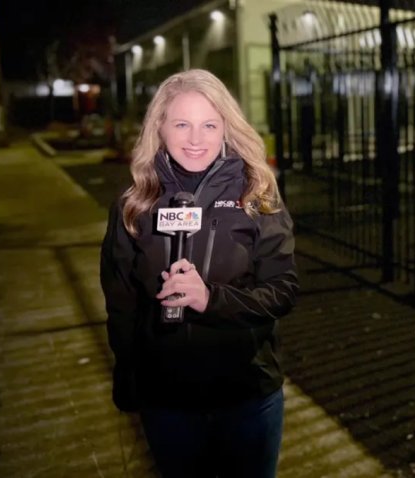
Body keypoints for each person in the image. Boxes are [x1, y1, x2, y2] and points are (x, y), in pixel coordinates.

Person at [100, 68, 298, 478]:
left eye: (209, 124)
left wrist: (211, 299)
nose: (195, 139)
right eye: (182, 124)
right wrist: (128, 371)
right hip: (167, 401)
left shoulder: (256, 194)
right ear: (160, 126)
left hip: (247, 396)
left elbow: (283, 290)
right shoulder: (135, 203)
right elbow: (121, 299)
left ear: (226, 126)